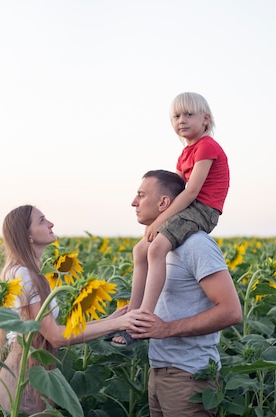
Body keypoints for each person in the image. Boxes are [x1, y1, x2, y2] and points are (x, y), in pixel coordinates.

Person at [0, 204, 151, 416]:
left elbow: (57, 330)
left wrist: (108, 321)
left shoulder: (31, 272)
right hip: (23, 375)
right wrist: (117, 324)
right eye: (41, 221)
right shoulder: (22, 274)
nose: (51, 224)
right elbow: (56, 337)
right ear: (27, 235)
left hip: (36, 369)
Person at [116, 170, 242, 416]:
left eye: (141, 195)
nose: (134, 202)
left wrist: (166, 329)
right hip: (159, 370)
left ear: (164, 203)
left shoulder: (196, 244)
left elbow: (231, 311)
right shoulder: (156, 248)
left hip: (189, 376)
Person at [120, 92, 230, 345]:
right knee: (141, 249)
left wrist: (159, 223)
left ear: (205, 120)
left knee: (157, 247)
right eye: (176, 116)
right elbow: (175, 190)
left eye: (189, 114)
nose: (182, 120)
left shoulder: (206, 146)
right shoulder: (184, 155)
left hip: (203, 208)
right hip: (188, 205)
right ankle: (131, 314)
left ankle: (143, 320)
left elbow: (190, 191)